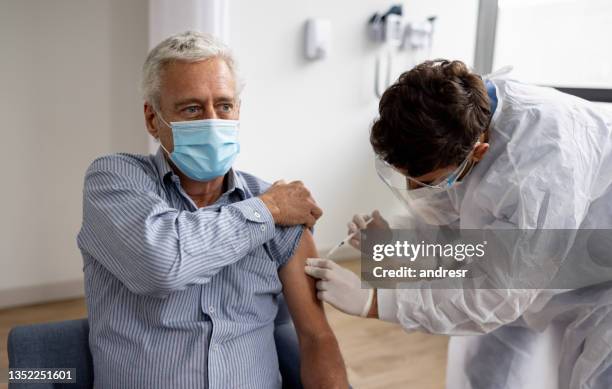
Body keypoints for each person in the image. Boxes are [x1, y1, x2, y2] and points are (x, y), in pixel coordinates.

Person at [306, 59, 612, 388]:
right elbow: (463, 227)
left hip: (599, 284)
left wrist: (376, 301)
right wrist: (397, 243)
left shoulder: (539, 169)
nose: (413, 191)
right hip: (530, 265)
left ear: (478, 153)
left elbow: (498, 294)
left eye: (425, 181)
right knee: (484, 371)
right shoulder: (457, 111)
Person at [77, 31, 348, 389]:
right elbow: (161, 265)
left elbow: (317, 338)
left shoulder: (280, 207)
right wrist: (268, 210)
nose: (213, 121)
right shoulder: (114, 179)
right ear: (152, 118)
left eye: (224, 105)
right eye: (191, 108)